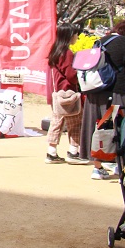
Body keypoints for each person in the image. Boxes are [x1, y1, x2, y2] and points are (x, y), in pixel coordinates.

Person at [81, 20, 125, 180]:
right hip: (117, 92)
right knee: (122, 129)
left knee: (97, 129)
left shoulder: (99, 41)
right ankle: (121, 165)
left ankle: (97, 167)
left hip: (94, 92)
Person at [45, 22, 86, 164]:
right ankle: (73, 152)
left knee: (57, 122)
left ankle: (51, 152)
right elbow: (71, 74)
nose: (77, 37)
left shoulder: (55, 50)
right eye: (75, 34)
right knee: (75, 122)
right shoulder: (67, 53)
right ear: (69, 35)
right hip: (68, 92)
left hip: (57, 93)